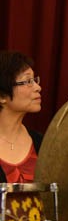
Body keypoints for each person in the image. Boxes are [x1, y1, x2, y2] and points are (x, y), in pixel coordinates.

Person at [0, 51, 43, 184]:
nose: (38, 87)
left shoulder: (42, 143)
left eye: (35, 80)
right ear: (2, 96)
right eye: (28, 81)